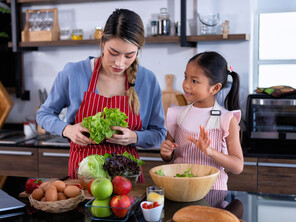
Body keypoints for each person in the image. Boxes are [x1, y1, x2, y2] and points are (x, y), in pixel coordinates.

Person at [36, 9, 166, 182]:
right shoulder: (74, 72)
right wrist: (68, 130)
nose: (120, 63)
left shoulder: (147, 80)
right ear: (103, 41)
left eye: (129, 56)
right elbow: (43, 114)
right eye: (113, 52)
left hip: (127, 178)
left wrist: (135, 137)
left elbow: (159, 133)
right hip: (85, 175)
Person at [160, 51, 244, 190]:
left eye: (194, 81)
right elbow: (169, 156)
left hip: (213, 194)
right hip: (180, 191)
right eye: (185, 77)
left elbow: (237, 166)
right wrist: (166, 153)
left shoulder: (226, 119)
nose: (186, 85)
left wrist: (210, 151)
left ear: (215, 88)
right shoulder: (177, 114)